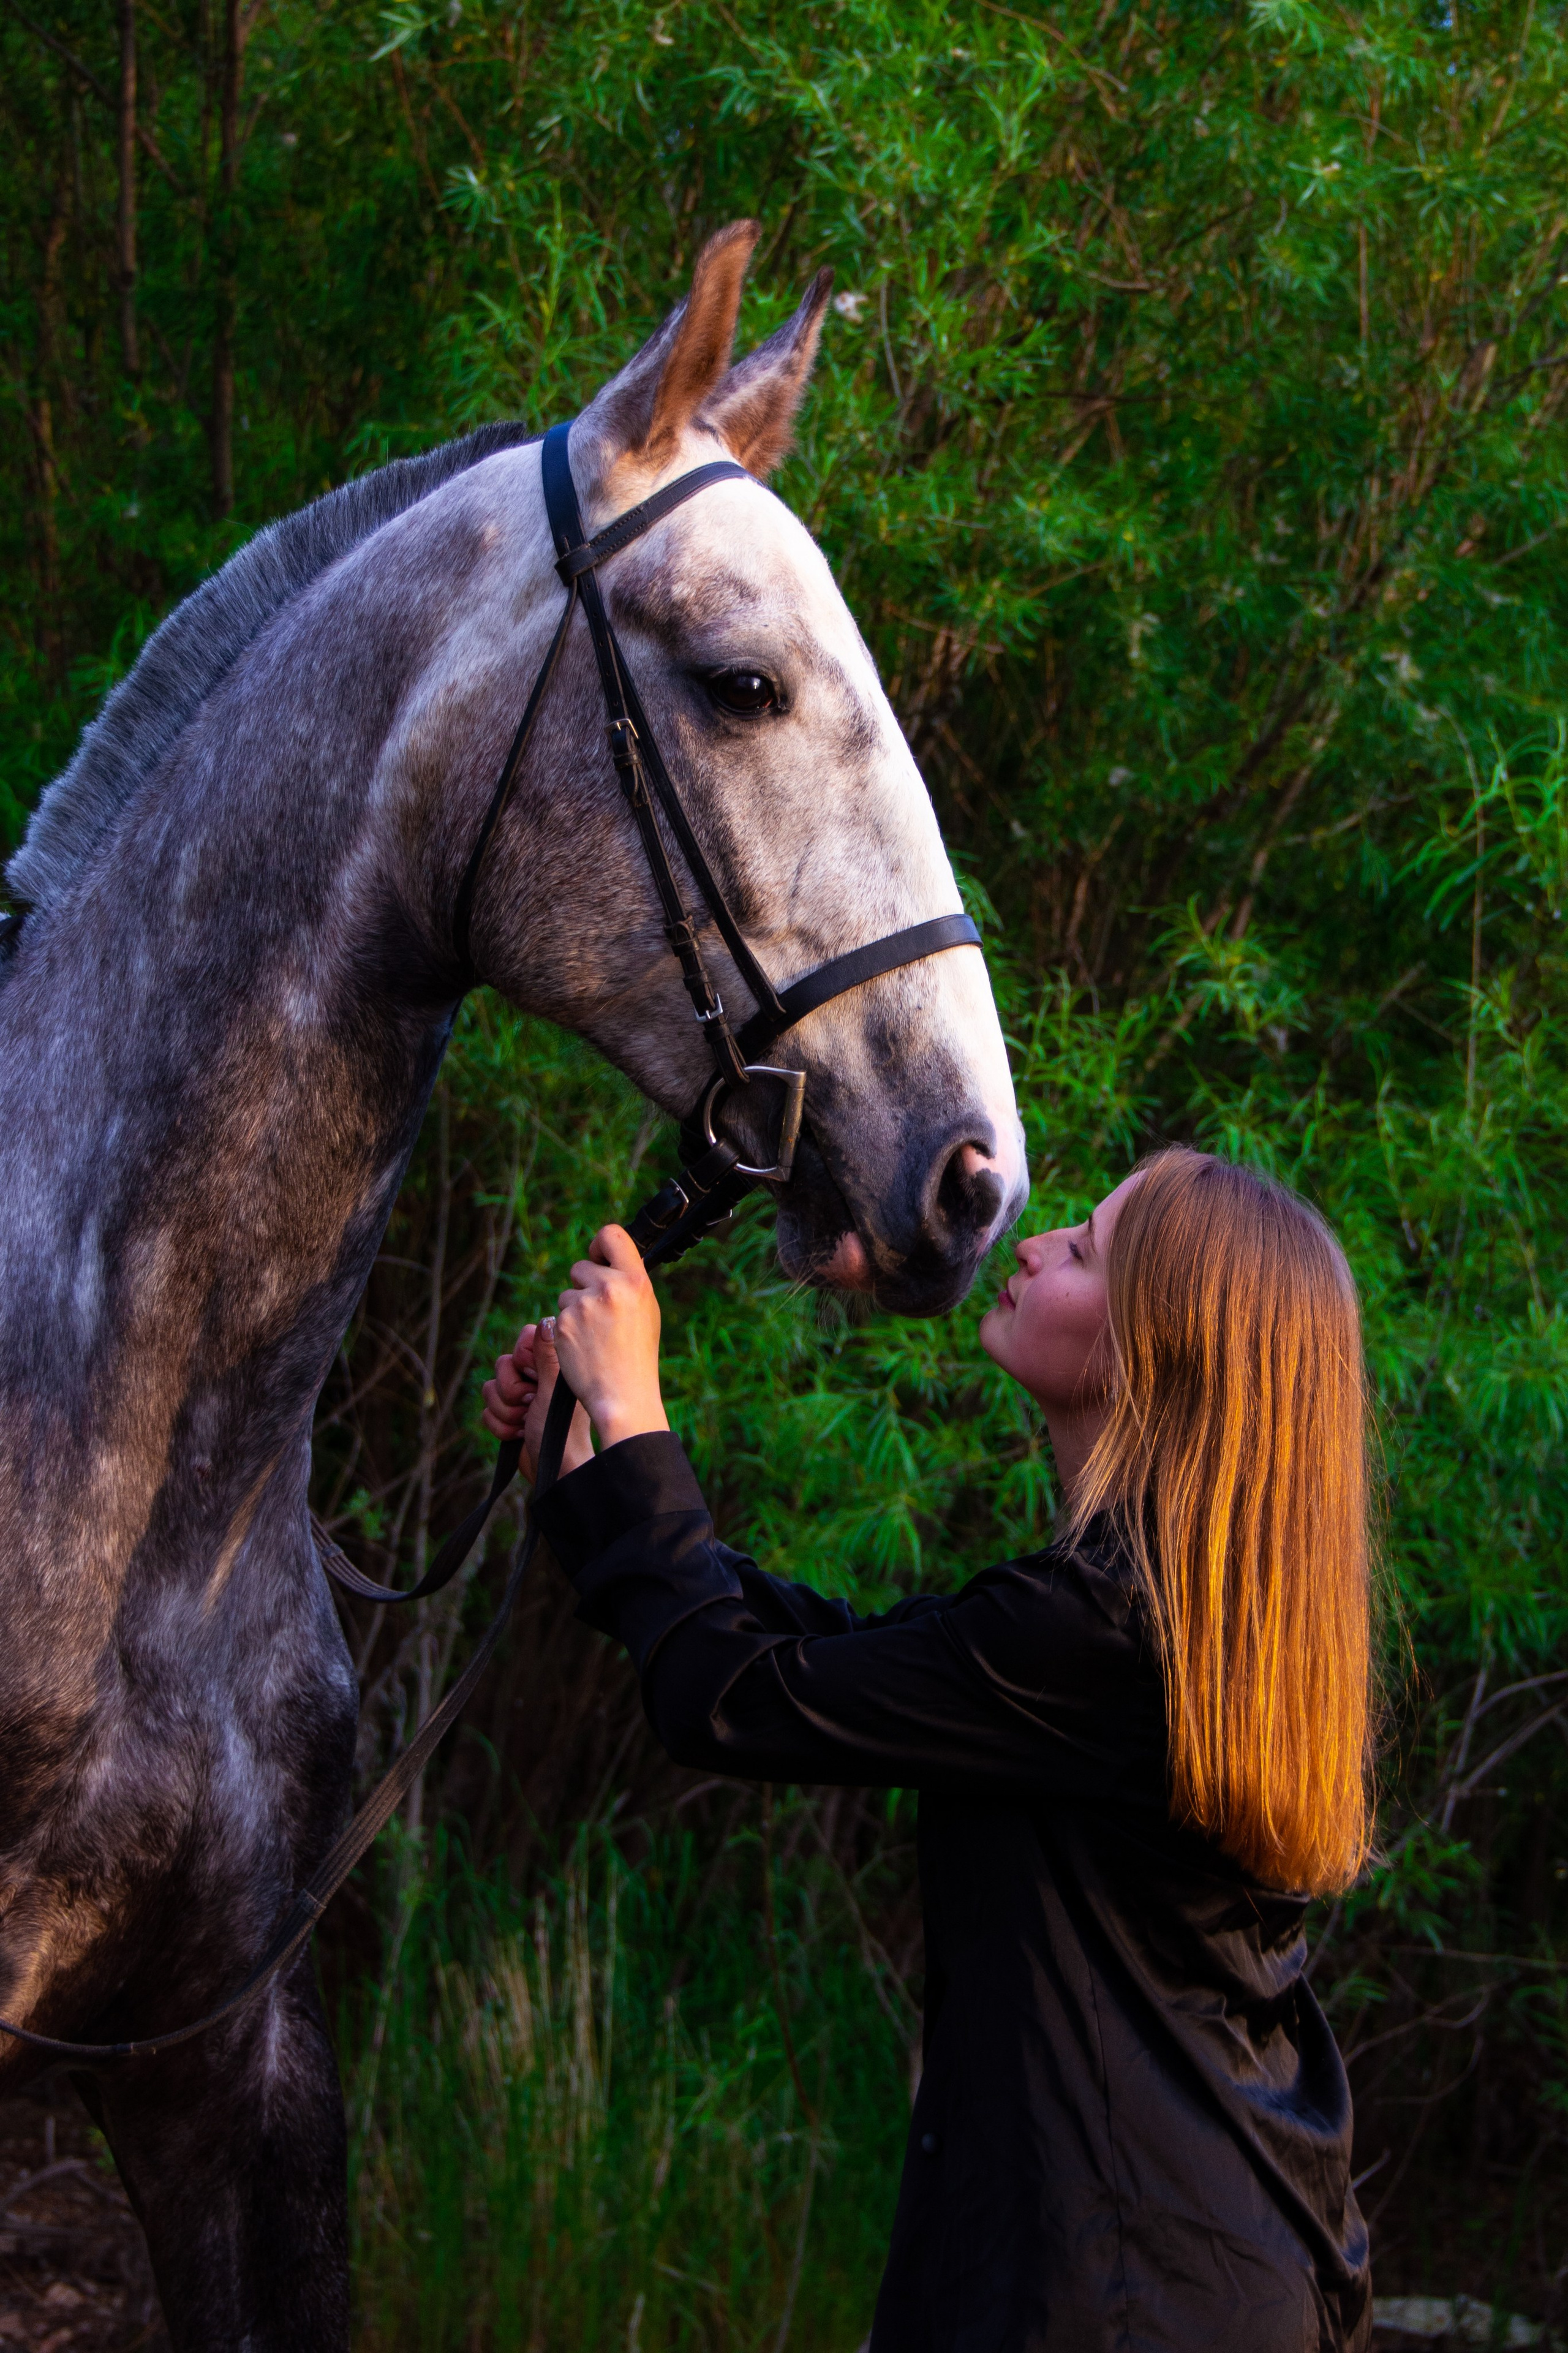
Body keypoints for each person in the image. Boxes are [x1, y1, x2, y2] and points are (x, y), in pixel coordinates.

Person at [483, 1147, 1376, 2352]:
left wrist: (638, 1416)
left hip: (1108, 2295)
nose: (1029, 1244)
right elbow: (818, 1661)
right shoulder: (1140, 1623)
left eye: (1082, 1250)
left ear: (1153, 1353)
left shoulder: (1096, 1631)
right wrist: (592, 1472)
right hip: (1218, 2264)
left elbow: (729, 1694)